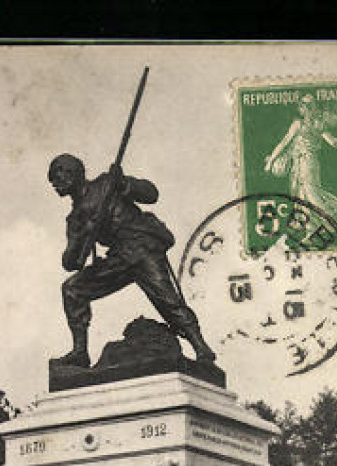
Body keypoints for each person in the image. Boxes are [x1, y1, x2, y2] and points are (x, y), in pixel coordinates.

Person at [48, 153, 215, 367]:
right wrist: (83, 236)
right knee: (72, 289)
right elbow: (70, 263)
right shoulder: (75, 219)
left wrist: (125, 183)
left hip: (140, 247)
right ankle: (80, 352)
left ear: (71, 173)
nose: (55, 184)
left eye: (57, 177)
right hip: (117, 259)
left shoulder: (107, 183)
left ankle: (201, 347)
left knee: (167, 300)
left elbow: (152, 194)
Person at [264, 94, 337, 231]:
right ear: (301, 109)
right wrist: (271, 160)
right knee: (302, 193)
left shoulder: (312, 124)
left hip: (307, 162)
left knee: (312, 194)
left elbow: (333, 142)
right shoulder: (302, 124)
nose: (307, 109)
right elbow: (285, 142)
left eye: (309, 106)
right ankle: (311, 226)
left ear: (313, 108)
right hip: (299, 164)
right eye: (304, 106)